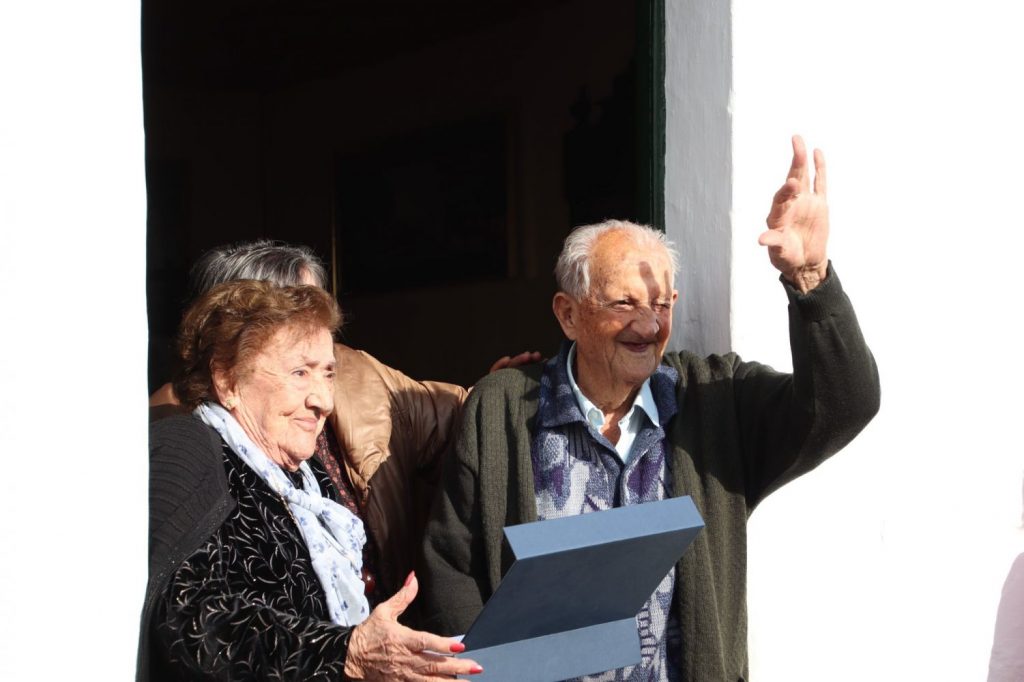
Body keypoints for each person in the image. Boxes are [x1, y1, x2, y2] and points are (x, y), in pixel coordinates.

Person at [420, 136, 881, 681]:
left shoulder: (715, 401)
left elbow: (845, 403)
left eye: (661, 305)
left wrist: (810, 278)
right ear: (568, 315)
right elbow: (452, 566)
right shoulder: (502, 409)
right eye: (624, 304)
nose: (648, 325)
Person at [150, 240, 540, 606]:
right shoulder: (181, 435)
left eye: (317, 314)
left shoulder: (356, 373)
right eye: (289, 317)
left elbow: (463, 421)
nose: (321, 395)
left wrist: (496, 395)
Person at [138, 279, 482, 680]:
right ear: (227, 379)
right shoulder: (187, 448)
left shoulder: (305, 475)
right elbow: (188, 620)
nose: (323, 401)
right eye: (300, 372)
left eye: (328, 374)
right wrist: (345, 653)